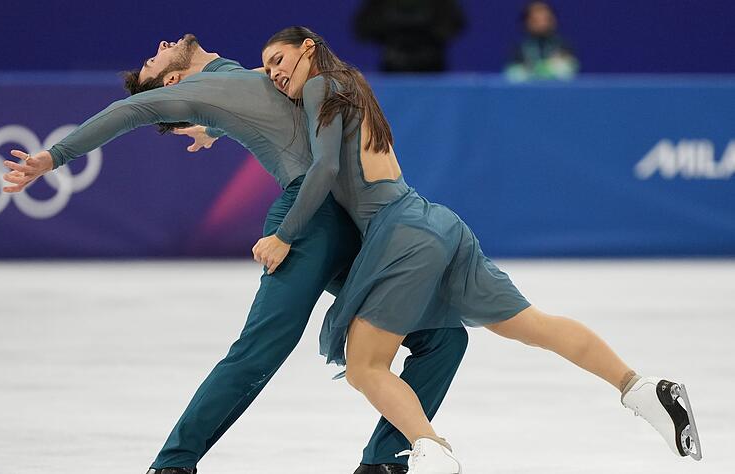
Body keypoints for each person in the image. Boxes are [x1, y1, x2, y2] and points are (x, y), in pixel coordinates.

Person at [2, 34, 469, 474]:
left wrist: (212, 128)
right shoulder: (186, 91)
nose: (162, 45)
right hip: (307, 223)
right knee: (261, 349)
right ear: (170, 83)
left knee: (444, 337)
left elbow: (255, 107)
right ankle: (173, 464)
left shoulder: (231, 74)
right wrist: (55, 156)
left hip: (353, 218)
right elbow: (123, 113)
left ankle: (384, 460)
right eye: (154, 58)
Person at [257, 26, 701, 473]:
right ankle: (641, 388)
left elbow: (325, 167)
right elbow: (270, 88)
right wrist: (216, 117)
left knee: (364, 366)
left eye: (279, 60)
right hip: (436, 223)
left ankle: (432, 452)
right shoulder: (348, 81)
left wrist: (285, 234)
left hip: (400, 236)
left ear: (308, 49)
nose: (273, 73)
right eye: (266, 66)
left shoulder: (317, 85)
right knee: (533, 325)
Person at [354, 0, 466, 72]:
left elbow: (454, 24)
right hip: (392, 67)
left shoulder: (442, 4)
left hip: (432, 67)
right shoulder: (380, 4)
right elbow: (363, 27)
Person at [504, 1, 579, 82]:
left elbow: (569, 69)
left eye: (546, 19)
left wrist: (548, 69)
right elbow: (512, 73)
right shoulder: (520, 49)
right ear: (527, 23)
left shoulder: (562, 46)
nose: (542, 24)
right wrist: (533, 70)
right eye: (536, 20)